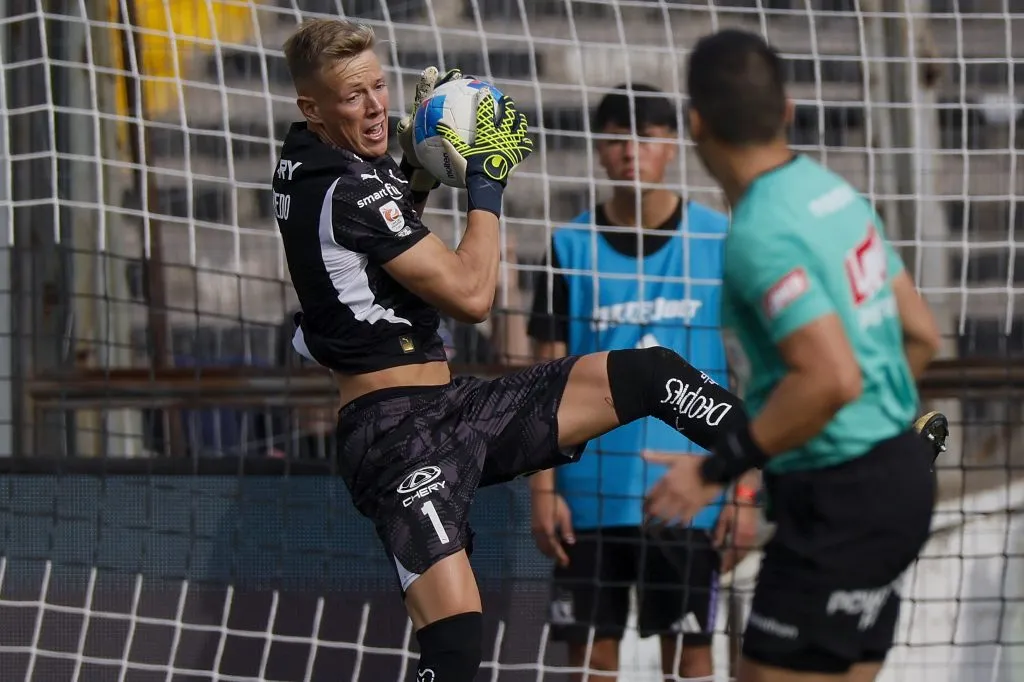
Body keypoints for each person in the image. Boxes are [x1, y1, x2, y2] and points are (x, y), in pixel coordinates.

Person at [272, 18, 754, 682]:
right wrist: (486, 185)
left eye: (379, 85)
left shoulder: (321, 162)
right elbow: (472, 295)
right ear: (312, 108)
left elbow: (372, 248)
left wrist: (414, 170)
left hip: (450, 406)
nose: (377, 105)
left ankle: (812, 452)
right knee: (456, 645)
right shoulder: (342, 186)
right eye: (353, 96)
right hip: (394, 442)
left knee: (649, 373)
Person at [642, 29, 950, 682]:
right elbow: (920, 333)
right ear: (786, 109)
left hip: (841, 501)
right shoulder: (834, 193)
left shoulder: (760, 231)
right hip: (897, 478)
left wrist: (712, 471)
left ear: (694, 122)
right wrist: (872, 433)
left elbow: (829, 377)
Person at [527, 84, 760, 681]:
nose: (631, 150)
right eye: (616, 139)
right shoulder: (567, 246)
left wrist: (742, 490)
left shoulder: (720, 240)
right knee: (591, 662)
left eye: (647, 136)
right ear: (600, 151)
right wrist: (543, 492)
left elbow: (750, 374)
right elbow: (540, 382)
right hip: (588, 496)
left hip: (688, 492)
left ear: (672, 147)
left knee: (691, 659)